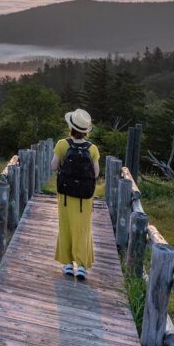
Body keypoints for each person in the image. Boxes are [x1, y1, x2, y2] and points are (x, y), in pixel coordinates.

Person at [50, 108, 100, 281]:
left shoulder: (62, 144)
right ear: (86, 131)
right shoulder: (92, 148)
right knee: (83, 229)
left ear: (70, 127)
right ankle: (82, 267)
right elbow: (95, 173)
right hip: (84, 198)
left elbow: (53, 166)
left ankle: (68, 264)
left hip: (65, 196)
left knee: (66, 227)